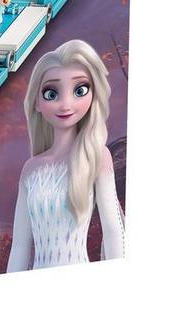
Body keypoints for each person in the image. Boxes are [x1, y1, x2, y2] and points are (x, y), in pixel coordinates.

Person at [7, 39, 125, 271]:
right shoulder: (31, 169)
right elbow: (20, 247)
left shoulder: (96, 156)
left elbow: (113, 231)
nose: (65, 104)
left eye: (80, 91)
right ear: (37, 103)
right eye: (51, 93)